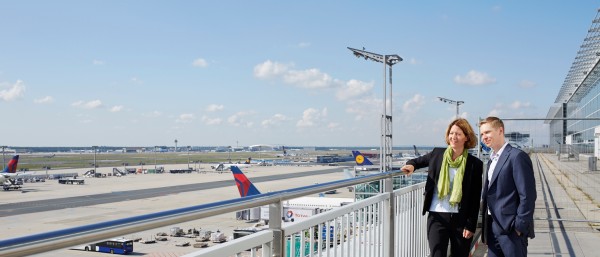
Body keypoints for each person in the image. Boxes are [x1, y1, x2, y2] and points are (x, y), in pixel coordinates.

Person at [401, 118, 483, 257]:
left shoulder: (474, 164)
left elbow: (475, 197)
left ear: (466, 137)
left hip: (460, 219)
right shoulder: (437, 154)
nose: (453, 137)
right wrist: (411, 165)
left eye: (458, 134)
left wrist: (470, 225)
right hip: (437, 215)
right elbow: (418, 161)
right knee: (437, 254)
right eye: (451, 133)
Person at [479, 116, 536, 257]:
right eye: (481, 134)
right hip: (493, 227)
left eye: (487, 132)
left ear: (500, 130)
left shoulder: (517, 157)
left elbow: (528, 195)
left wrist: (519, 226)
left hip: (511, 230)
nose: (484, 137)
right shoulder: (491, 160)